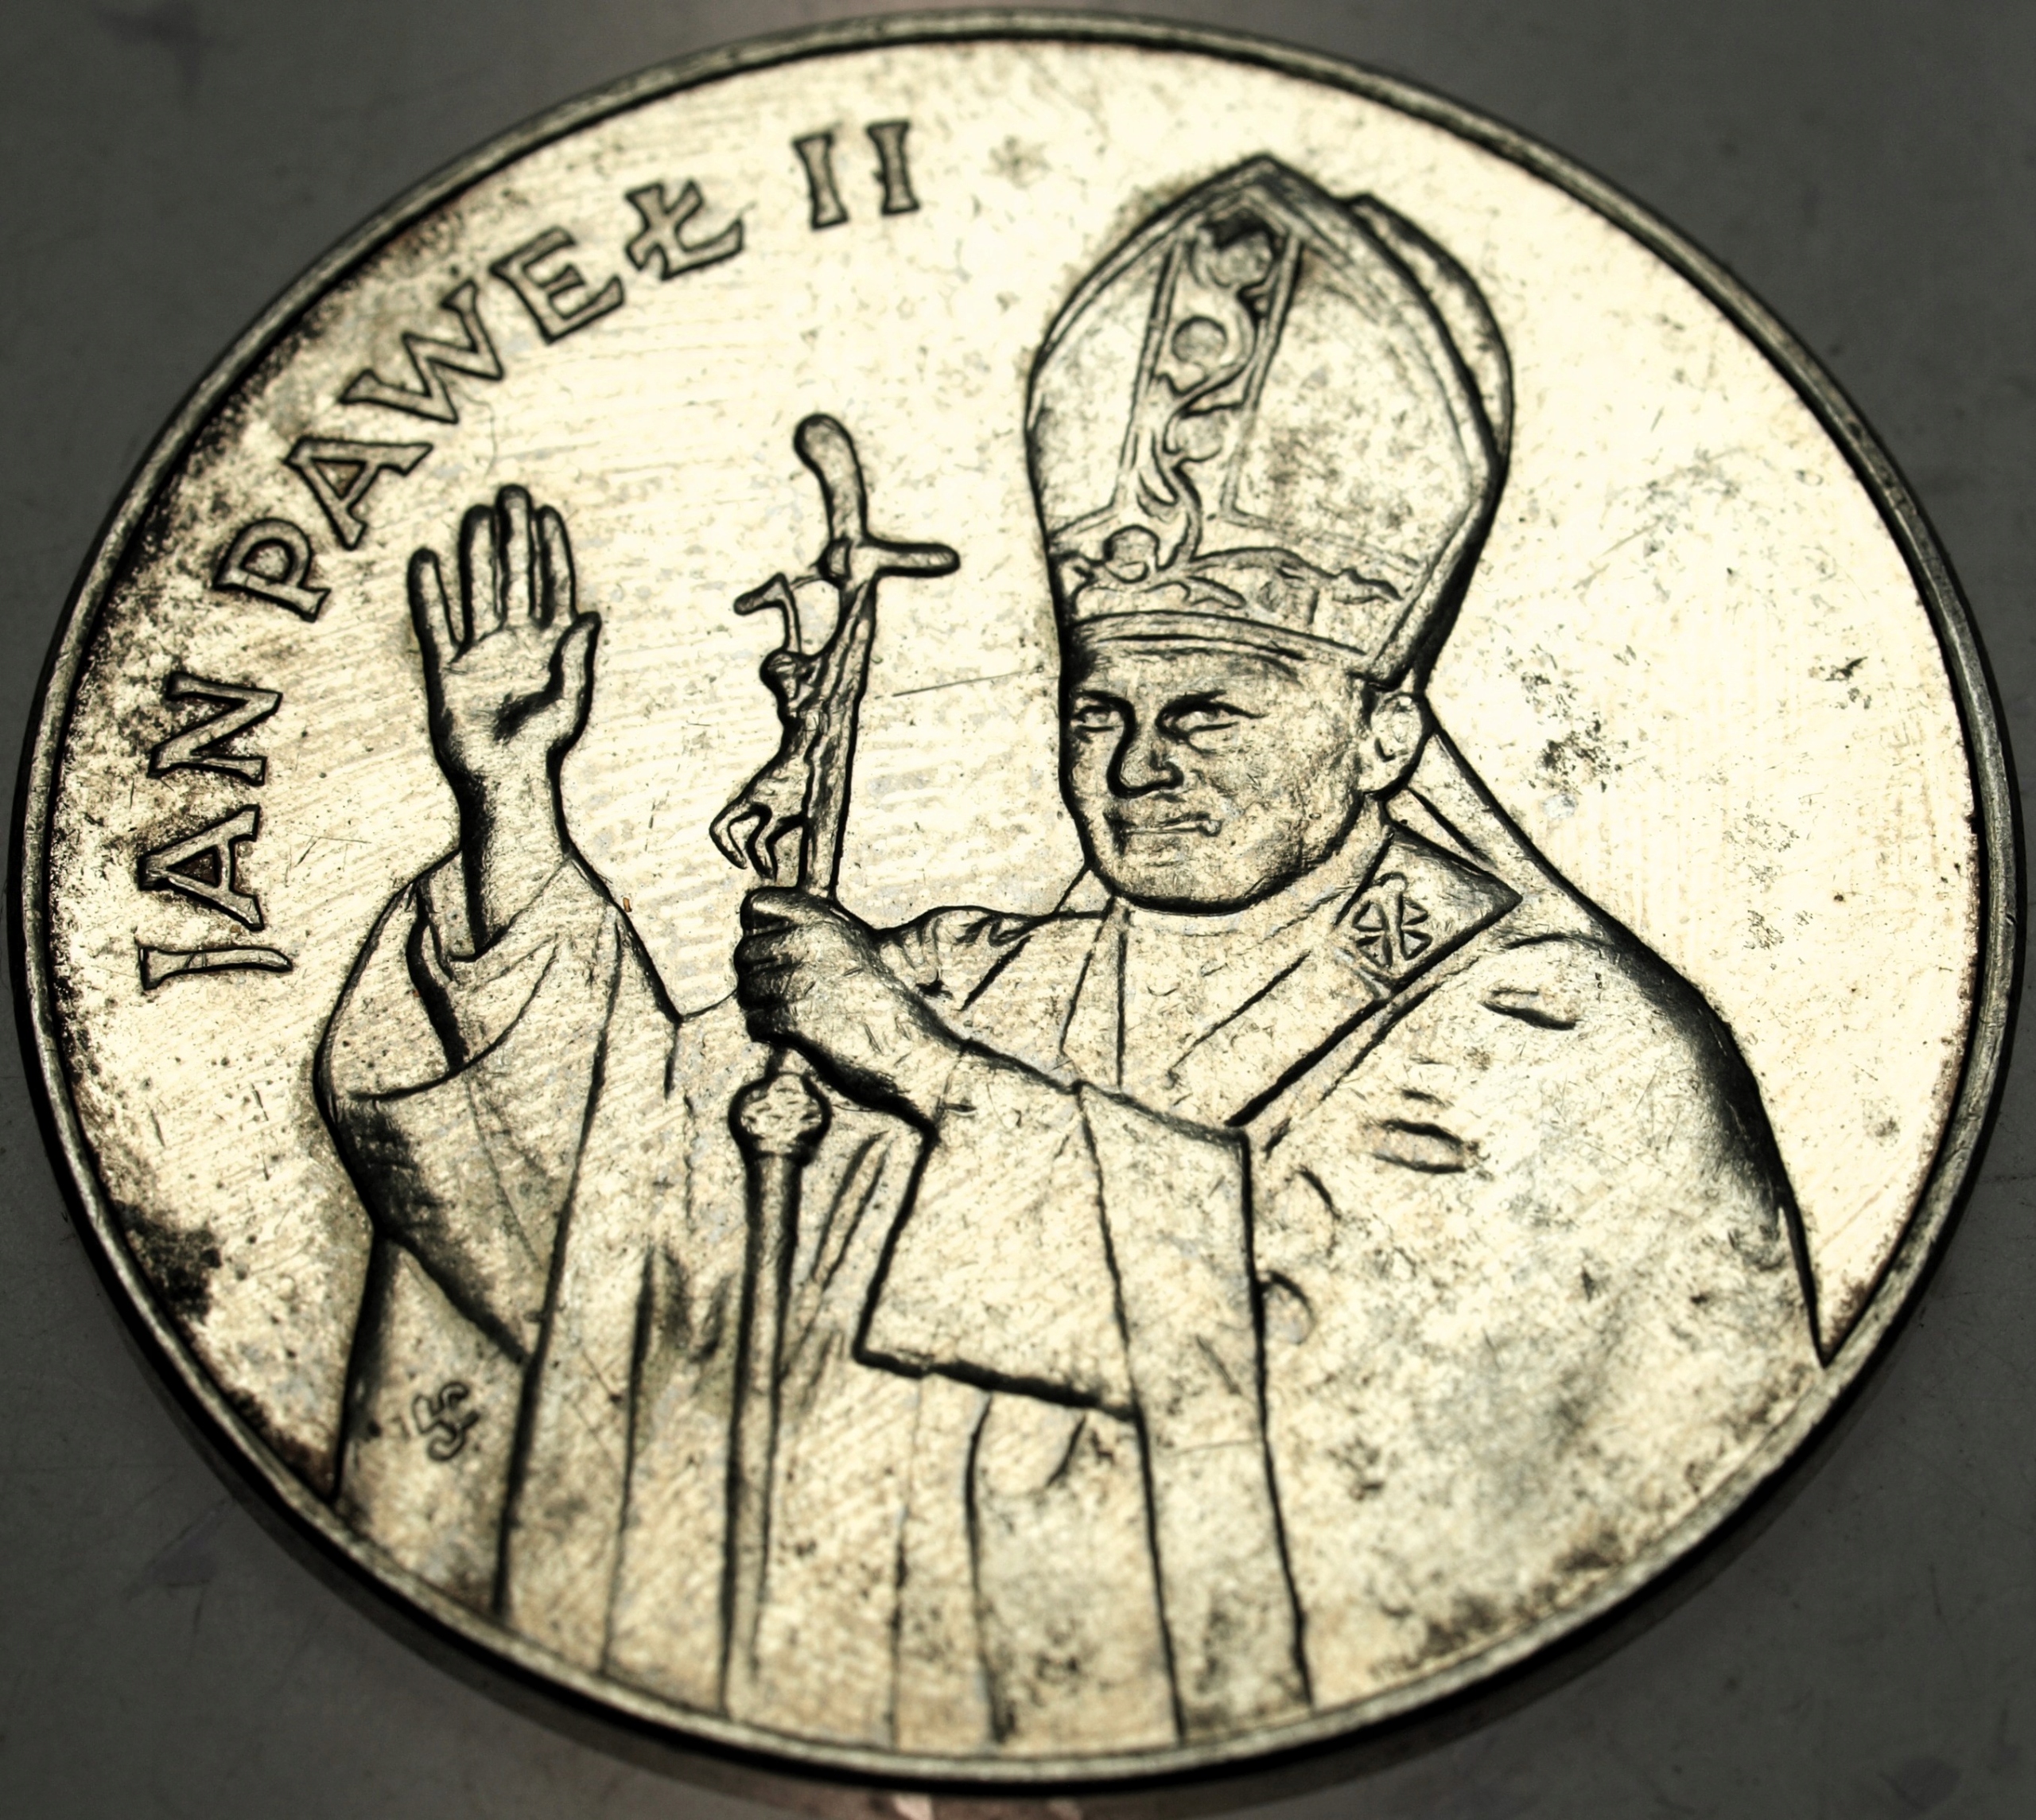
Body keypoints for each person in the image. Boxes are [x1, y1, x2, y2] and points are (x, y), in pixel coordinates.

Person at [317, 158, 1819, 1758]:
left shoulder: (1560, 1033)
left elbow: (1381, 1401)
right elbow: (606, 1221)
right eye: (1098, 710)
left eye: (1207, 714)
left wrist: (925, 1075)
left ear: (1381, 734)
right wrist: (512, 809)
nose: (1135, 764)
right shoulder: (969, 975)